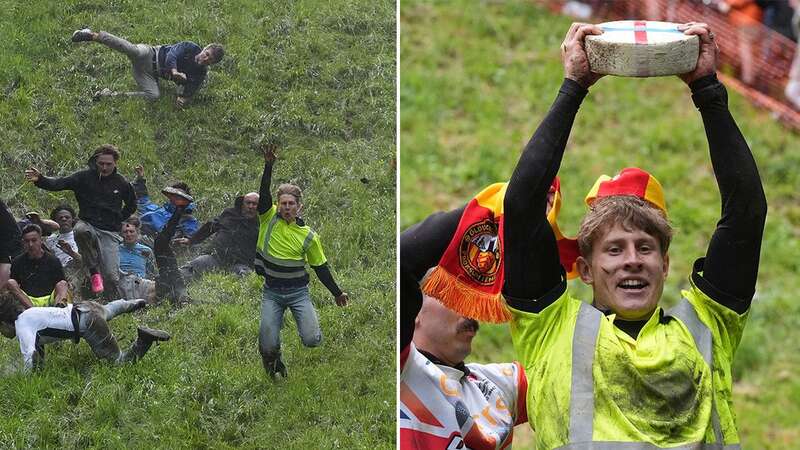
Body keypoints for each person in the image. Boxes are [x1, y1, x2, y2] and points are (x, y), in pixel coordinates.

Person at [495, 23, 765, 448]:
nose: (632, 259)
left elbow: (747, 211)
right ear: (584, 268)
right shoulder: (549, 325)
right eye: (614, 249)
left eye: (645, 248)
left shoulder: (708, 325)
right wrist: (573, 86)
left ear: (665, 264)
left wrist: (707, 89)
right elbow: (523, 204)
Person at [254, 144, 348, 379]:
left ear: (299, 207)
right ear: (278, 205)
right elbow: (263, 193)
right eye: (283, 203)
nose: (286, 207)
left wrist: (337, 293)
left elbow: (320, 268)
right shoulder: (268, 218)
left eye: (291, 204)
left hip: (298, 293)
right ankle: (275, 365)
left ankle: (305, 330)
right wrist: (268, 165)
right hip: (272, 292)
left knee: (311, 340)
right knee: (267, 342)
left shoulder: (308, 236)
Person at [25, 144, 137, 299]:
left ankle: (112, 300)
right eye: (101, 164)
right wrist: (41, 180)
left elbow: (132, 205)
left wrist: (118, 218)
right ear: (95, 162)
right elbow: (60, 183)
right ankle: (93, 272)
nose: (104, 167)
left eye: (108, 164)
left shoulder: (122, 183)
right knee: (79, 230)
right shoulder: (83, 177)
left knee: (111, 276)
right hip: (87, 223)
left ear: (115, 163)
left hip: (109, 230)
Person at [0, 296, 168, 371]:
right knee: (108, 310)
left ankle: (144, 339)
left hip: (88, 323)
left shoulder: (21, 325)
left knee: (119, 363)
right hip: (84, 307)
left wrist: (26, 378)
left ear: (3, 322)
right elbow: (39, 350)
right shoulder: (30, 314)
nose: (3, 334)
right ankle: (133, 303)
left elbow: (30, 354)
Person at [71, 28, 224, 107]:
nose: (205, 59)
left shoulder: (200, 74)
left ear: (211, 64)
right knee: (133, 49)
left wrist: (182, 99)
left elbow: (190, 90)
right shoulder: (190, 47)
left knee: (154, 96)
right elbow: (172, 54)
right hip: (150, 53)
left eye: (209, 60)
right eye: (207, 53)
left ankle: (109, 95)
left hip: (148, 74)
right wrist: (175, 71)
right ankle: (92, 35)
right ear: (204, 49)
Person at [176, 193, 260, 282]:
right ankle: (166, 282)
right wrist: (191, 240)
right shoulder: (229, 214)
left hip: (240, 263)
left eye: (254, 204)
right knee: (195, 265)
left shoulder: (261, 224)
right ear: (243, 204)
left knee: (245, 278)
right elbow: (210, 226)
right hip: (216, 257)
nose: (251, 206)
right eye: (248, 203)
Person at [8, 225, 68, 308]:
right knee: (11, 282)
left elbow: (60, 284)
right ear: (23, 242)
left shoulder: (53, 260)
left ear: (41, 240)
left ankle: (58, 310)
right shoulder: (17, 262)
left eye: (34, 240)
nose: (31, 244)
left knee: (63, 284)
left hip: (50, 299)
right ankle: (34, 311)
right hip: (28, 301)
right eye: (27, 241)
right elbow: (14, 286)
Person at [131, 164, 198, 239]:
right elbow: (143, 201)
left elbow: (191, 238)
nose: (174, 198)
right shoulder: (161, 210)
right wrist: (140, 178)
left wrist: (186, 239)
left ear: (185, 200)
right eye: (172, 195)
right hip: (135, 237)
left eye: (178, 196)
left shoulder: (186, 219)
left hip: (156, 244)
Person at [46, 204, 84, 294]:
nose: (64, 219)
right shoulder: (51, 239)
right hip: (57, 272)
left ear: (72, 220)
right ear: (55, 221)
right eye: (60, 218)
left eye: (67, 217)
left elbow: (86, 262)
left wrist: (70, 252)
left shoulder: (80, 236)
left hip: (76, 271)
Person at [118, 217, 157, 303]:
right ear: (121, 234)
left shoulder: (146, 251)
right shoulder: (115, 250)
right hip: (122, 284)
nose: (128, 234)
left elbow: (150, 272)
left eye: (131, 231)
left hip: (140, 283)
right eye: (125, 232)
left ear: (137, 233)